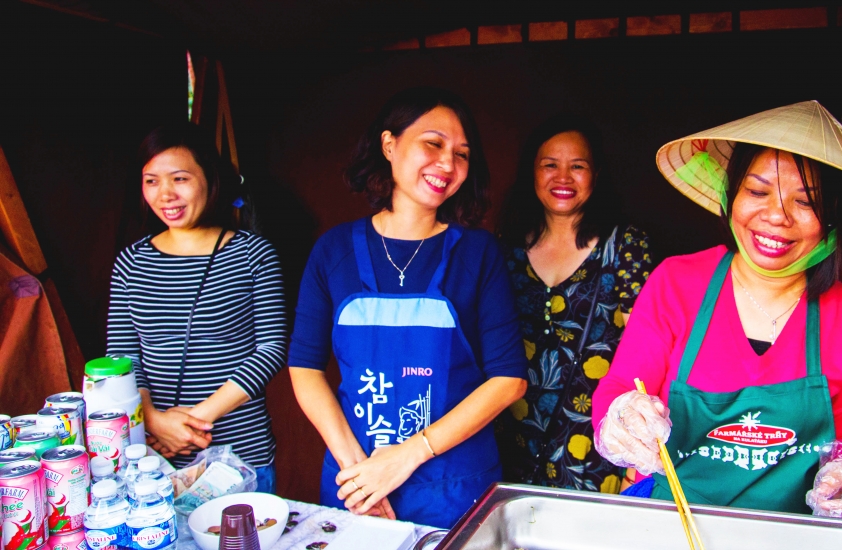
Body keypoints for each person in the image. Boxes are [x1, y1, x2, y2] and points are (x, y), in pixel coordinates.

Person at [592, 101, 842, 519]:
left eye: (806, 202)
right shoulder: (677, 283)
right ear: (731, 194)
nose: (775, 217)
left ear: (835, 217)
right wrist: (622, 416)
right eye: (757, 191)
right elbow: (621, 383)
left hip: (792, 533)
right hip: (672, 522)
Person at [286, 87, 528, 529]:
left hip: (454, 486)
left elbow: (508, 380)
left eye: (462, 154)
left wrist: (405, 457)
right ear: (389, 144)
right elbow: (304, 367)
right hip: (354, 478)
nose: (448, 164)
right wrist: (362, 471)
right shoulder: (333, 250)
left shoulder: (478, 253)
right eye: (433, 144)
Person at [107, 123, 287, 493]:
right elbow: (122, 355)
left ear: (211, 178)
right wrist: (154, 421)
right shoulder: (131, 263)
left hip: (240, 455)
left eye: (180, 178)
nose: (166, 194)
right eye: (151, 181)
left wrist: (192, 423)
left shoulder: (252, 254)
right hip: (153, 458)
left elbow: (271, 349)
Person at [495, 114, 652, 493]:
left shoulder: (625, 246)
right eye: (550, 165)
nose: (562, 178)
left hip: (594, 442)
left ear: (595, 176)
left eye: (577, 166)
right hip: (513, 437)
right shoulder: (506, 245)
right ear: (532, 172)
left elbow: (646, 346)